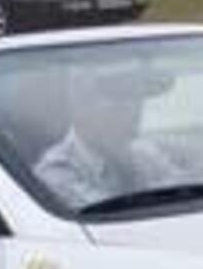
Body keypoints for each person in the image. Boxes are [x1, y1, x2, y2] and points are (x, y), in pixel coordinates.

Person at [31, 60, 180, 212]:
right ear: (81, 106)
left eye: (134, 100)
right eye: (117, 103)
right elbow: (115, 214)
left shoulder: (143, 152)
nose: (133, 112)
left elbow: (180, 191)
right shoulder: (56, 172)